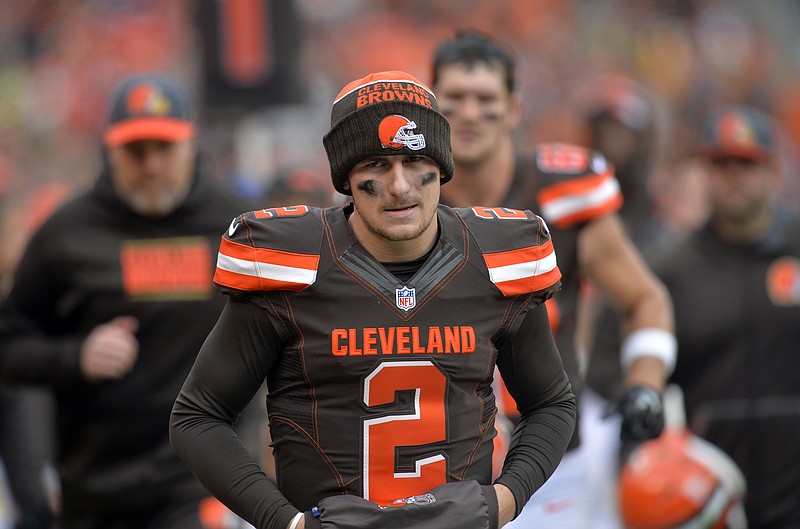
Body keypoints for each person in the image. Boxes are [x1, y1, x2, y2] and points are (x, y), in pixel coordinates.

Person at [170, 70, 577, 529]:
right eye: (377, 164)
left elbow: (551, 403)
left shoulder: (498, 256)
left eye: (412, 158)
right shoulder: (288, 264)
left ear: (440, 164)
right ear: (346, 175)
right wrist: (286, 522)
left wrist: (507, 498)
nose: (400, 185)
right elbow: (197, 417)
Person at [430, 30, 675, 527]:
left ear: (514, 109)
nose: (470, 113)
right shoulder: (405, 202)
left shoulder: (564, 193)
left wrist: (645, 383)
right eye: (454, 99)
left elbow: (645, 298)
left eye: (485, 99)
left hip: (552, 462)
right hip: (442, 468)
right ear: (431, 108)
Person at [0, 74, 258, 529]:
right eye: (136, 151)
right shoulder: (66, 233)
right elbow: (10, 346)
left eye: (165, 148)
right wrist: (75, 356)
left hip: (201, 483)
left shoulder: (238, 226)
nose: (152, 165)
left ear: (191, 143)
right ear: (110, 150)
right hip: (95, 487)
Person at [655, 105, 800, 528]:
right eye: (722, 164)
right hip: (705, 492)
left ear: (773, 171)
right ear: (704, 171)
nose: (734, 175)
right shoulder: (670, 270)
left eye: (747, 164)